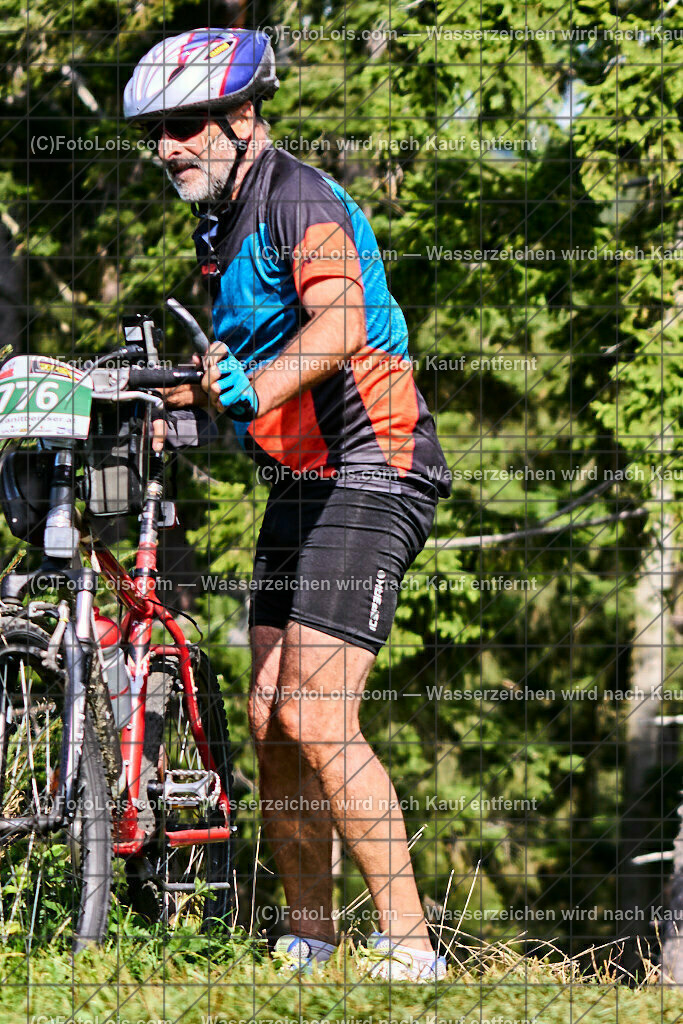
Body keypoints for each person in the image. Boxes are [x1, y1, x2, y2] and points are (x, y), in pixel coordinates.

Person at [124, 28, 451, 982]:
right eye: (156, 132)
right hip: (302, 480)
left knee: (314, 714)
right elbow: (232, 370)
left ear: (242, 117)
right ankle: (310, 940)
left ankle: (411, 951)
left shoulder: (295, 195)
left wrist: (251, 390)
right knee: (269, 719)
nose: (167, 148)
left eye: (184, 126)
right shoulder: (219, 224)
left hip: (375, 460)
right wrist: (163, 396)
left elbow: (340, 322)